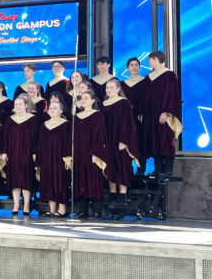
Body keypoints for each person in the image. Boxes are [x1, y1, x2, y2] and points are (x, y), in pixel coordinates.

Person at [140, 51, 182, 176]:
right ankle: (158, 169)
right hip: (151, 115)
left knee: (165, 139)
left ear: (155, 59)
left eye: (150, 59)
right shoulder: (149, 77)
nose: (148, 62)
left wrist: (166, 112)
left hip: (163, 114)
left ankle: (167, 169)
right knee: (155, 140)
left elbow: (172, 95)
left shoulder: (169, 75)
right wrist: (142, 112)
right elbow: (145, 97)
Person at [102, 78, 140, 206]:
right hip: (108, 140)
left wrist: (123, 140)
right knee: (109, 165)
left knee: (121, 166)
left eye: (112, 87)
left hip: (119, 139)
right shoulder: (104, 104)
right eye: (107, 87)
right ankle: (113, 193)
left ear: (118, 89)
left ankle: (122, 194)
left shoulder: (123, 103)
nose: (109, 89)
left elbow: (127, 123)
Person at [0, 95, 39, 215]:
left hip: (27, 153)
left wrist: (35, 152)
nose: (17, 107)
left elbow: (37, 138)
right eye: (16, 105)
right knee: (14, 180)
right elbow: (5, 138)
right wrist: (4, 151)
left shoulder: (33, 119)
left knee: (26, 179)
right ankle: (16, 205)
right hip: (13, 153)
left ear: (26, 105)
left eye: (20, 104)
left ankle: (26, 205)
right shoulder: (10, 120)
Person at [73, 91, 108, 219]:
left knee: (94, 181)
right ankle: (83, 211)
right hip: (79, 153)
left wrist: (96, 153)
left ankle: (97, 211)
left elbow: (99, 136)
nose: (83, 100)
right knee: (80, 180)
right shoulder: (77, 117)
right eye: (82, 98)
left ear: (93, 100)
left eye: (86, 98)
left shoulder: (98, 115)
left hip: (92, 153)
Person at [37, 101, 71, 217]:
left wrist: (68, 157)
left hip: (60, 157)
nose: (52, 110)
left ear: (61, 111)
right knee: (49, 181)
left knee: (61, 181)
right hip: (47, 158)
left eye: (55, 108)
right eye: (50, 108)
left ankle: (62, 209)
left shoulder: (66, 124)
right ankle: (52, 209)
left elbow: (68, 143)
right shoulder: (44, 125)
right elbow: (40, 143)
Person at [121, 57, 147, 175]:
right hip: (126, 119)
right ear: (127, 68)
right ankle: (128, 171)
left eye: (136, 65)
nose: (134, 67)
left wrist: (141, 113)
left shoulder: (145, 82)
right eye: (131, 65)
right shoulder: (122, 84)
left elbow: (147, 100)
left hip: (139, 118)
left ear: (139, 67)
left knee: (140, 142)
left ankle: (141, 171)